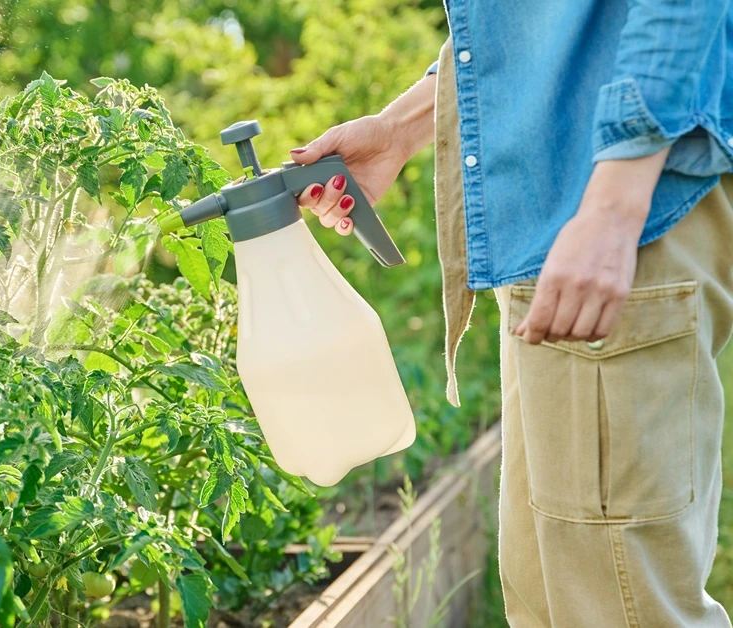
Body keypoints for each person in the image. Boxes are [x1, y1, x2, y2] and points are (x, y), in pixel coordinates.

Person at [291, 3, 733, 626]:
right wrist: (401, 128)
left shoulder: (609, 214)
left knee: (619, 602)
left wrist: (612, 208)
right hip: (559, 220)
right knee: (550, 599)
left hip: (615, 211)